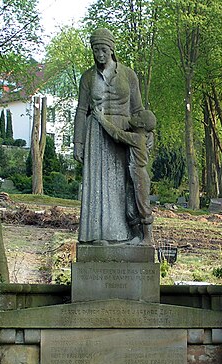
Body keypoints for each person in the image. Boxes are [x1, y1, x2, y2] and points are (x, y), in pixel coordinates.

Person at [73, 28, 145, 245]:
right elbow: (80, 110)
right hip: (96, 133)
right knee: (97, 185)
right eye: (96, 51)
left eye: (103, 50)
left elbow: (138, 109)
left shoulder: (129, 75)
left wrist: (146, 135)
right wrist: (78, 142)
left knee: (124, 185)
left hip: (122, 134)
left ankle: (125, 233)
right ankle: (97, 235)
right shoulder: (87, 77)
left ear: (112, 49)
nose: (100, 55)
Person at [93, 107, 156, 245]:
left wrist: (101, 118)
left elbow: (116, 134)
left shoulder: (137, 138)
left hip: (139, 175)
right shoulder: (140, 136)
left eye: (138, 115)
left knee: (143, 208)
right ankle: (137, 236)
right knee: (130, 209)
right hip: (132, 175)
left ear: (141, 125)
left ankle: (147, 239)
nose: (134, 114)